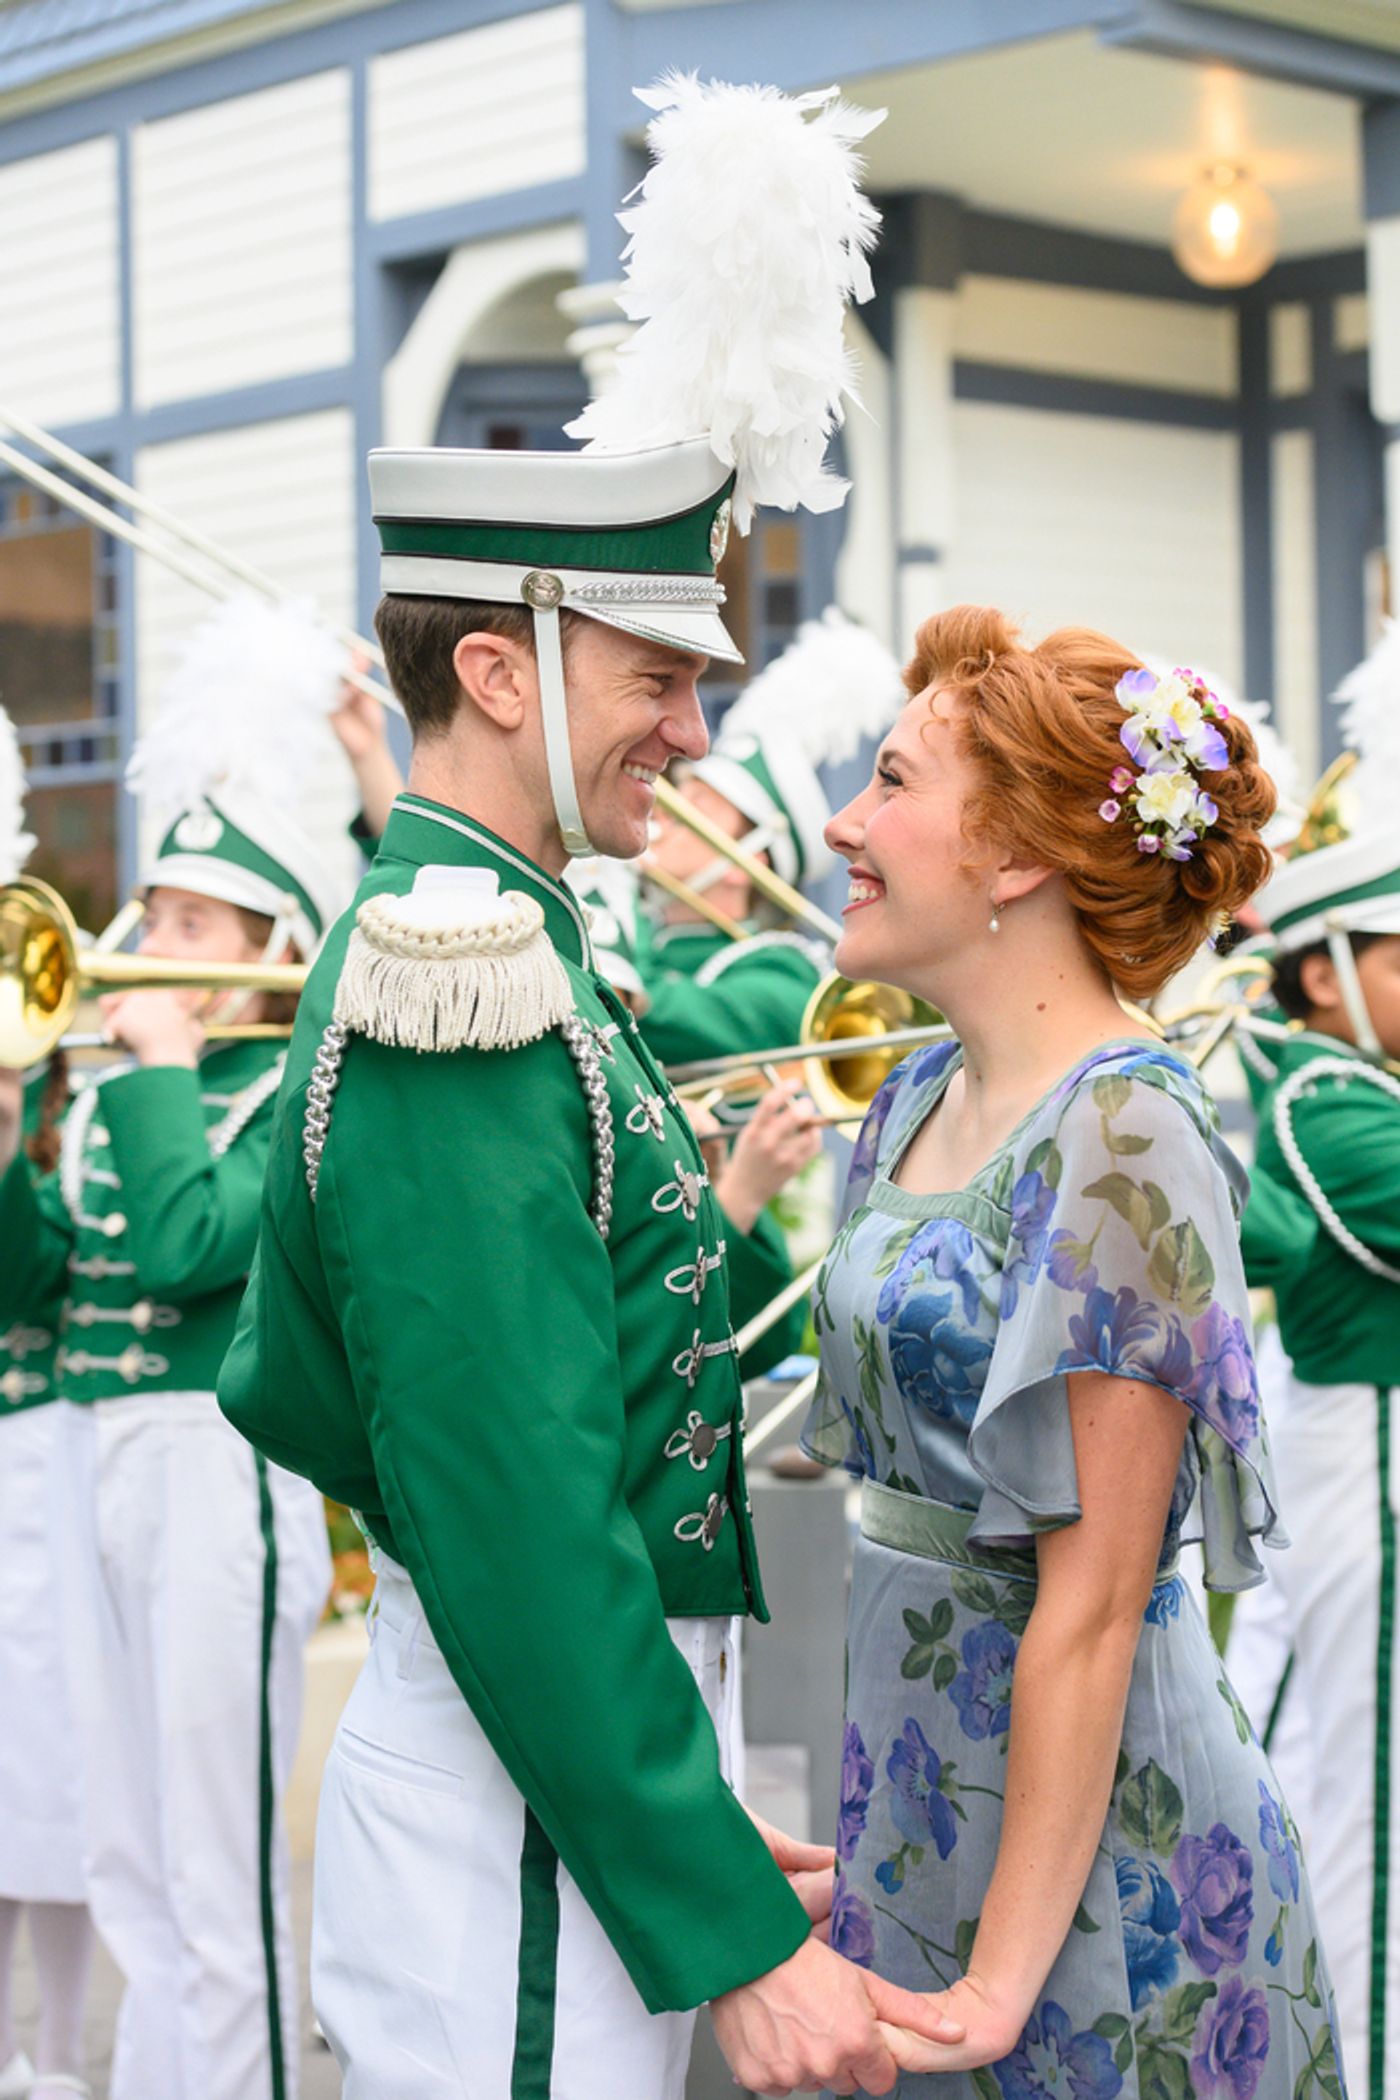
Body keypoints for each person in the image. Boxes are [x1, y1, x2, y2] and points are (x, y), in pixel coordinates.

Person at [217, 414, 962, 2100]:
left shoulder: (519, 944)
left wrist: (679, 1808)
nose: (692, 733)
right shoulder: (452, 980)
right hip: (519, 1824)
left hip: (550, 1787)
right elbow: (520, 1522)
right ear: (496, 671)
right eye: (655, 679)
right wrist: (715, 1918)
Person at [800, 606, 1344, 2095]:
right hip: (918, 1802)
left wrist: (995, 1981)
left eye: (895, 783)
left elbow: (1094, 1609)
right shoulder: (910, 1094)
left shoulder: (1128, 1129)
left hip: (1108, 1881)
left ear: (1020, 852)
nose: (846, 822)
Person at [0, 607, 341, 2100]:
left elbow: (203, 1249)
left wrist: (153, 1069)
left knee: (214, 1854)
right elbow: (37, 1280)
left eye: (193, 922)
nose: (147, 943)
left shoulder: (287, 1090)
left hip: (215, 1460)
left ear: (271, 946)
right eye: (151, 912)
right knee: (126, 1840)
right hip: (89, 1447)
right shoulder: (112, 1087)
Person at [1235, 779, 1400, 2100]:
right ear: (1327, 976)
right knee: (1369, 1804)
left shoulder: (1338, 1086)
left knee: (1329, 1770)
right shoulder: (1327, 1105)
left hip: (1356, 1455)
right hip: (1373, 1462)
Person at [0, 703, 96, 2100]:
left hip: (32, 1452)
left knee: (47, 1779)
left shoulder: (59, 1104)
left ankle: (54, 2057)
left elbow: (37, 1279)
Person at [638, 608, 904, 1070]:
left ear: (747, 863)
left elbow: (642, 1011)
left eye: (699, 806)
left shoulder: (783, 975)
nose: (664, 810)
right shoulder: (650, 937)